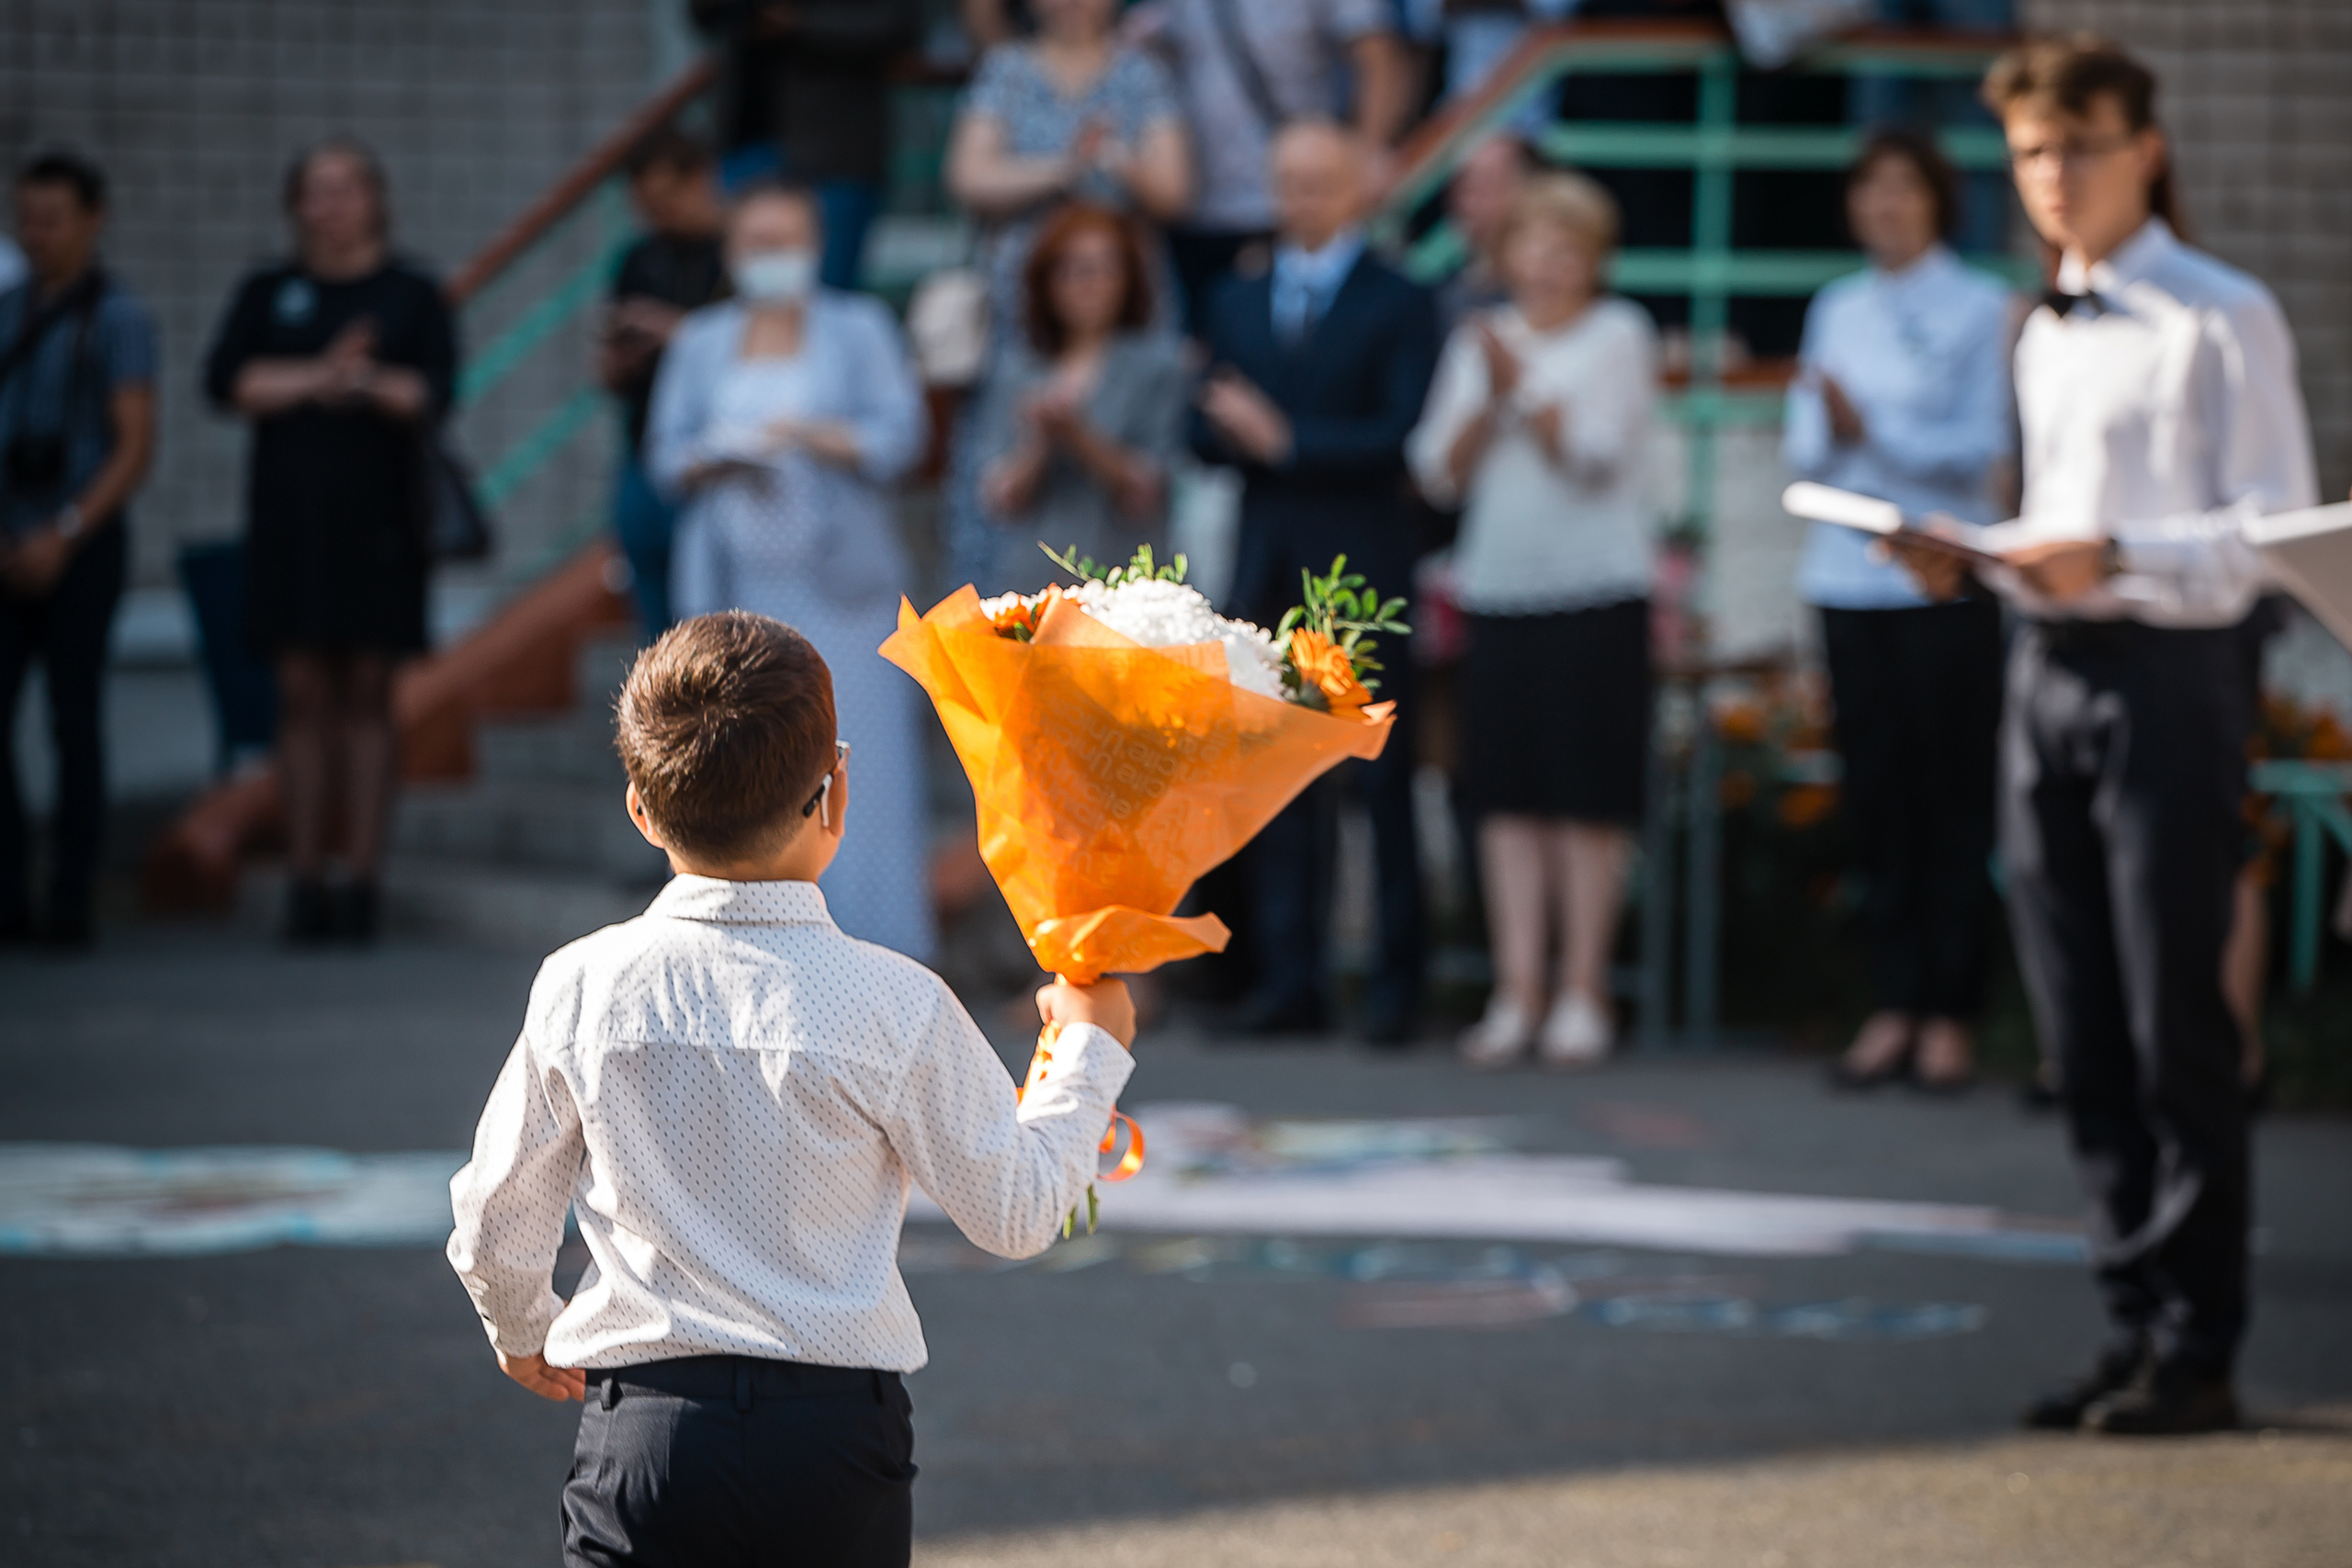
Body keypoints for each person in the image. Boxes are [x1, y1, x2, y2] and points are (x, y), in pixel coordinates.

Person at [447, 609, 1136, 1568]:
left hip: (649, 1428)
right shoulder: (898, 1002)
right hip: (834, 1437)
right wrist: (1089, 1048)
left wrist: (521, 1324)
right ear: (835, 791)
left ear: (641, 808)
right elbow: (1015, 1211)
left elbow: (498, 1210)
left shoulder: (581, 985)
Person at [1894, 36, 2318, 1438]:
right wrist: (1979, 555)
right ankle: (2131, 1315)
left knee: (2173, 1013)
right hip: (2048, 667)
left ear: (2146, 149)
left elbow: (2272, 533)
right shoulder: (2040, 323)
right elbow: (2054, 521)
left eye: (2081, 145)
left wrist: (2118, 551)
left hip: (2172, 674)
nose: (2056, 175)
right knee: (2075, 1017)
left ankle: (2200, 1338)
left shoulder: (2224, 313)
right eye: (2032, 151)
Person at [646, 181, 935, 963]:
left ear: (815, 246)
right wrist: (719, 454)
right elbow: (665, 456)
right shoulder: (701, 339)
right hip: (737, 599)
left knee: (861, 767)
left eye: (788, 241)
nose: (773, 256)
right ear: (733, 251)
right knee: (748, 768)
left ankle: (879, 953)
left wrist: (813, 434)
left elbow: (903, 439)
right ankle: (759, 954)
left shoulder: (860, 327)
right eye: (758, 242)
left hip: (846, 594)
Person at [1193, 121, 1438, 1040]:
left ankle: (1397, 988)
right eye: (1287, 181)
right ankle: (1289, 981)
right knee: (1275, 782)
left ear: (1358, 188)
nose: (1300, 199)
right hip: (1266, 565)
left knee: (1379, 779)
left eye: (1319, 181)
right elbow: (1202, 427)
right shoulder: (1235, 297)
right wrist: (1242, 432)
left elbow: (1399, 432)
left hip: (1363, 566)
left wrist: (1285, 440)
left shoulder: (1401, 298)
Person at [1407, 173, 1657, 1069]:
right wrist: (1489, 394)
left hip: (1597, 592)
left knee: (1585, 801)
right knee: (1504, 799)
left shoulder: (1620, 333)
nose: (1546, 266)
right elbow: (1436, 472)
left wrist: (1523, 389)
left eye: (1566, 250)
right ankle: (1516, 990)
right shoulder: (1480, 340)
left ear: (1595, 261)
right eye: (1532, 247)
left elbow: (1593, 455)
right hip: (1498, 591)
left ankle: (1583, 990)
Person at [1784, 130, 2015, 1094]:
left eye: (1903, 188)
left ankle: (1950, 1010)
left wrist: (1871, 431)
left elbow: (1982, 445)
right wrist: (1839, 434)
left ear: (1937, 200)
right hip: (1846, 577)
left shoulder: (1981, 306)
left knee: (1951, 796)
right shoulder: (1837, 306)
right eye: (1869, 189)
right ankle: (1892, 1002)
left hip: (1941, 579)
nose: (1884, 206)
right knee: (1875, 797)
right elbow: (1805, 449)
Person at [203, 138, 456, 945]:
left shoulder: (411, 292)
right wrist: (325, 374)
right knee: (301, 693)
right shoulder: (267, 291)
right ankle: (305, 878)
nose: (333, 204)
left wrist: (361, 380)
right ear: (295, 203)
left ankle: (362, 882)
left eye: (347, 187)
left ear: (375, 198)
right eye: (317, 189)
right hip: (290, 525)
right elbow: (230, 382)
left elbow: (431, 391)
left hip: (381, 524)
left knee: (370, 693)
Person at [0, 152, 157, 949]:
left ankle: (70, 896)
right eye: (26, 218)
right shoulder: (7, 308)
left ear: (93, 220)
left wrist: (61, 531)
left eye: (53, 219)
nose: (38, 234)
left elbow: (133, 447)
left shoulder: (119, 317)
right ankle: (7, 892)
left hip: (81, 541)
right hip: (8, 539)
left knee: (74, 718)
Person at [956, 204, 1190, 595]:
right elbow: (999, 498)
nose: (1089, 283)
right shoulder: (1020, 369)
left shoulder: (1158, 366)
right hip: (1037, 586)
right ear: (1044, 280)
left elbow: (1148, 490)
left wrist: (1080, 437)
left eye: (1105, 267)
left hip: (1129, 589)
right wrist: (1039, 443)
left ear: (1130, 277)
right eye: (1072, 269)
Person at [1141, 0, 1415, 331]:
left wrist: (1366, 156)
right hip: (1202, 208)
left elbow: (1378, 56)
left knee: (1311, 333)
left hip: (1300, 198)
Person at [944, 0, 1192, 351]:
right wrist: (1066, 168)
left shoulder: (1142, 73)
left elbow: (1174, 193)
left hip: (1125, 293)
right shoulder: (1006, 69)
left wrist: (1117, 158)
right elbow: (968, 178)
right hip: (1021, 294)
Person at [687, 0, 924, 288]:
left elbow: (897, 24)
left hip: (835, 145)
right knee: (739, 290)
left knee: (826, 293)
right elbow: (702, 15)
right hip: (745, 136)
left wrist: (798, 22)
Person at [601, 128, 730, 638]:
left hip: (716, 460)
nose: (658, 214)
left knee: (715, 619)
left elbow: (753, 349)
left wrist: (676, 331)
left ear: (701, 180)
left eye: (666, 198)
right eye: (646, 204)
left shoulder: (738, 257)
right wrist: (624, 355)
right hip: (645, 450)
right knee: (654, 618)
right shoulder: (639, 259)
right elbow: (606, 373)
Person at [1434, 131, 1533, 331]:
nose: (1466, 205)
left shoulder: (1556, 288)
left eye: (1484, 187)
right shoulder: (1450, 293)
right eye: (1462, 189)